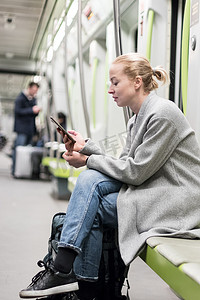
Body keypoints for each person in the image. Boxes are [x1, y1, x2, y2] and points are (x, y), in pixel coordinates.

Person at [19, 53, 200, 299]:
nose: (110, 89)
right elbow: (126, 164)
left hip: (176, 202)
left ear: (137, 82)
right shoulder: (137, 119)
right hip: (153, 192)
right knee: (90, 183)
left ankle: (72, 275)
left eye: (115, 82)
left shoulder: (163, 114)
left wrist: (87, 160)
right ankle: (81, 281)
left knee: (91, 199)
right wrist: (86, 147)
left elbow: (135, 173)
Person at [12, 81, 40, 176]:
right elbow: (18, 111)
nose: (35, 92)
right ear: (29, 88)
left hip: (30, 130)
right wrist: (31, 110)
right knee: (19, 150)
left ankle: (24, 171)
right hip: (22, 130)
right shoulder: (20, 98)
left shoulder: (32, 99)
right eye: (34, 90)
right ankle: (15, 171)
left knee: (26, 152)